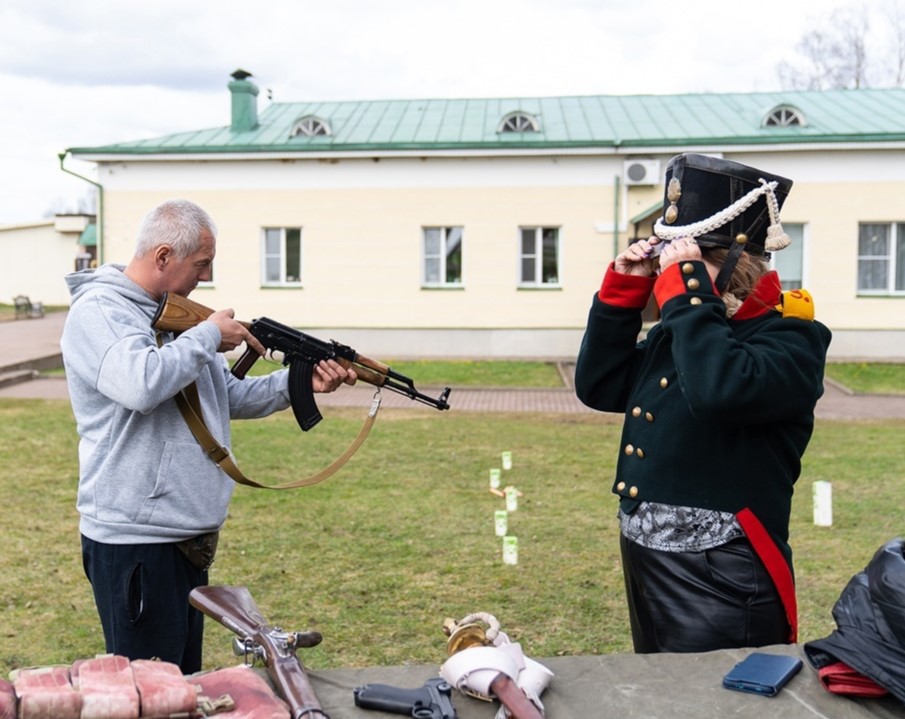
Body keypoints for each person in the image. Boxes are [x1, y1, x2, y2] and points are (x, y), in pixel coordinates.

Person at [61, 199, 357, 673]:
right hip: (136, 543)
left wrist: (298, 384)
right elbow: (140, 384)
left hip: (183, 540)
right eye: (200, 264)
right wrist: (204, 337)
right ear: (162, 257)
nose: (205, 277)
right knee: (150, 691)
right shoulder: (99, 313)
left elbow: (227, 397)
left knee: (184, 683)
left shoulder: (173, 316)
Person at [575, 154, 832, 653]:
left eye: (694, 258)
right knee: (657, 692)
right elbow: (600, 387)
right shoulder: (688, 329)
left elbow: (720, 390)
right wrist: (625, 289)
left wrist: (686, 293)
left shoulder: (791, 339)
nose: (674, 270)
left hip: (723, 569)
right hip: (645, 550)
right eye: (673, 258)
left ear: (742, 263)